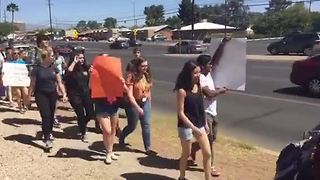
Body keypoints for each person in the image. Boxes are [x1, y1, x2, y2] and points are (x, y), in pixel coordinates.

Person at [174, 60, 211, 180]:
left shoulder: (199, 86)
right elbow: (180, 113)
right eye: (195, 73)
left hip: (199, 124)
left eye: (199, 72)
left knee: (207, 153)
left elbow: (201, 107)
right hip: (186, 126)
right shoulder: (182, 91)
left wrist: (205, 123)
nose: (198, 75)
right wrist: (193, 128)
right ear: (188, 74)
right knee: (187, 153)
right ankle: (182, 176)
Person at [27, 49, 67, 150]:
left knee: (51, 116)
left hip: (52, 94)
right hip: (41, 94)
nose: (54, 57)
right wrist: (28, 97)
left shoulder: (54, 68)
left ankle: (48, 133)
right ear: (47, 57)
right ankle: (46, 137)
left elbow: (59, 82)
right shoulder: (37, 69)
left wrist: (64, 94)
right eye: (52, 56)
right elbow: (32, 84)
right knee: (45, 115)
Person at [92, 55, 127, 164]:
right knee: (106, 130)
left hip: (113, 106)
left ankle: (110, 151)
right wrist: (92, 75)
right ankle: (108, 152)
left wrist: (122, 83)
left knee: (112, 130)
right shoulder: (96, 76)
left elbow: (125, 91)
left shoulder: (115, 76)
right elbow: (91, 88)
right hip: (101, 106)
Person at [119, 57, 155, 155]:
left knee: (146, 124)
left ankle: (148, 148)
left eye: (146, 66)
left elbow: (148, 90)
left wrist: (149, 103)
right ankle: (122, 136)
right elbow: (130, 95)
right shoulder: (131, 76)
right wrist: (138, 108)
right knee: (132, 125)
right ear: (137, 66)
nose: (145, 68)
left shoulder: (147, 75)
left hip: (144, 101)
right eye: (143, 66)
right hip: (132, 103)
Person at [64, 52, 95, 143]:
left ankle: (82, 124)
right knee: (80, 113)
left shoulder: (86, 68)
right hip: (74, 94)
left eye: (82, 58)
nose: (81, 60)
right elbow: (67, 74)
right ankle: (83, 132)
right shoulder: (71, 68)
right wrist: (74, 62)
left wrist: (92, 72)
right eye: (79, 58)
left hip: (85, 93)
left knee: (90, 113)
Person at [9, 49, 29, 113]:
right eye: (14, 53)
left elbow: (26, 70)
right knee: (18, 94)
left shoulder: (22, 62)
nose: (16, 54)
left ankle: (25, 105)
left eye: (17, 53)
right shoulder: (10, 63)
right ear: (12, 54)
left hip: (22, 79)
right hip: (15, 80)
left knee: (26, 93)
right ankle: (20, 107)